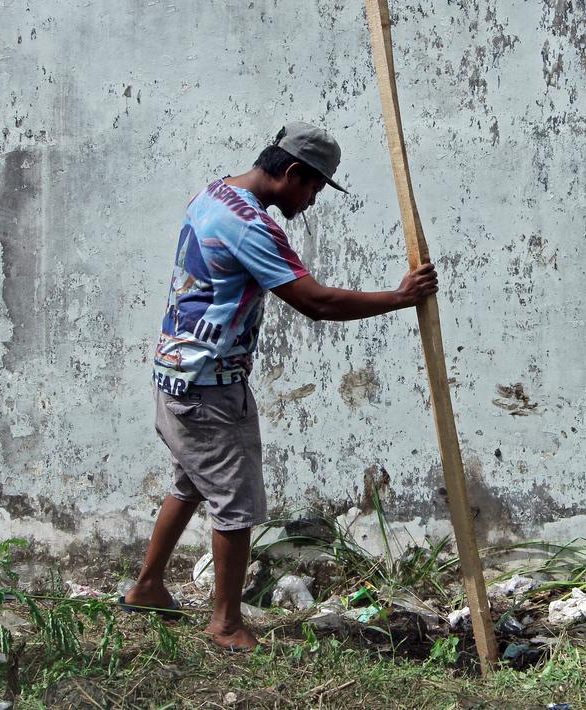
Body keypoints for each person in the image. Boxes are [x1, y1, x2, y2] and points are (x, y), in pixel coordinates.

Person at [120, 121, 437, 651]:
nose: (312, 201)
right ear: (291, 173)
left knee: (191, 482)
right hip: (210, 384)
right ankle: (226, 624)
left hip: (176, 372)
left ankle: (148, 587)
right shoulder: (252, 227)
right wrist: (399, 298)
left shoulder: (214, 193)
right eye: (313, 188)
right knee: (235, 502)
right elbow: (316, 302)